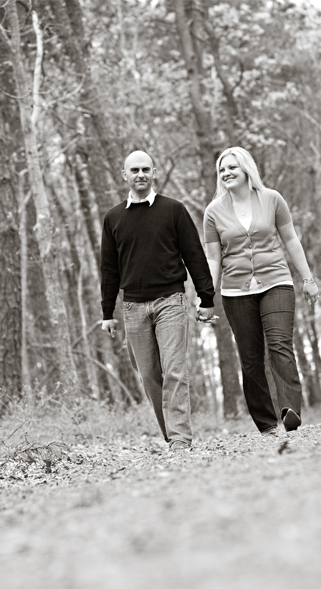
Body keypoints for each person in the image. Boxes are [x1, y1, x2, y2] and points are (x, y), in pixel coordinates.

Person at [101, 150, 216, 452]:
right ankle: (171, 433)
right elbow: (109, 269)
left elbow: (194, 254)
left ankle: (179, 440)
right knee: (150, 375)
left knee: (175, 370)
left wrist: (206, 297)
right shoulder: (113, 218)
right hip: (133, 307)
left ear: (154, 173)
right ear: (124, 175)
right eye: (134, 170)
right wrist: (107, 312)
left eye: (145, 169)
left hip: (171, 302)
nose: (140, 174)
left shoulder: (173, 210)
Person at [203, 146, 318, 435]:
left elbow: (290, 240)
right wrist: (205, 297)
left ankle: (290, 411)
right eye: (222, 169)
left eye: (232, 167)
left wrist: (308, 279)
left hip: (276, 281)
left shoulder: (272, 199)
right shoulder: (213, 212)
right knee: (251, 358)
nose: (226, 173)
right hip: (235, 291)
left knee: (280, 344)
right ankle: (266, 423)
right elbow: (213, 258)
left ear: (246, 169)